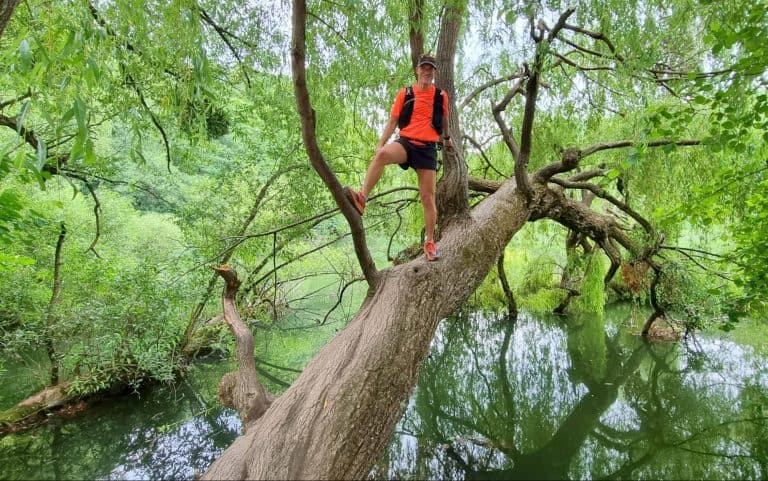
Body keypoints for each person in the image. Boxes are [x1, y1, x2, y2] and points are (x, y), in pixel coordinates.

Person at [345, 53, 452, 262]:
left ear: (435, 73)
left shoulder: (441, 95)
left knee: (427, 196)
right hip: (406, 143)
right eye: (423, 68)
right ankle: (362, 198)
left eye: (430, 69)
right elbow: (393, 121)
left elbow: (445, 121)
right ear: (417, 70)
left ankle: (430, 242)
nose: (426, 72)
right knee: (382, 155)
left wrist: (447, 139)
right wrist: (381, 143)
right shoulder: (406, 93)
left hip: (427, 148)